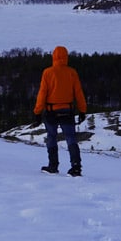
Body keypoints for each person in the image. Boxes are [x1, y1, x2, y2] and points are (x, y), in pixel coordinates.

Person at [33, 45, 87, 176]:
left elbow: (42, 93)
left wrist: (37, 112)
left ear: (54, 57)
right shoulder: (72, 72)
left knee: (51, 137)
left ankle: (53, 166)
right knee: (71, 138)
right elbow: (78, 93)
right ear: (66, 57)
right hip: (67, 111)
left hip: (51, 111)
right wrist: (82, 110)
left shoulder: (48, 72)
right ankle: (76, 167)